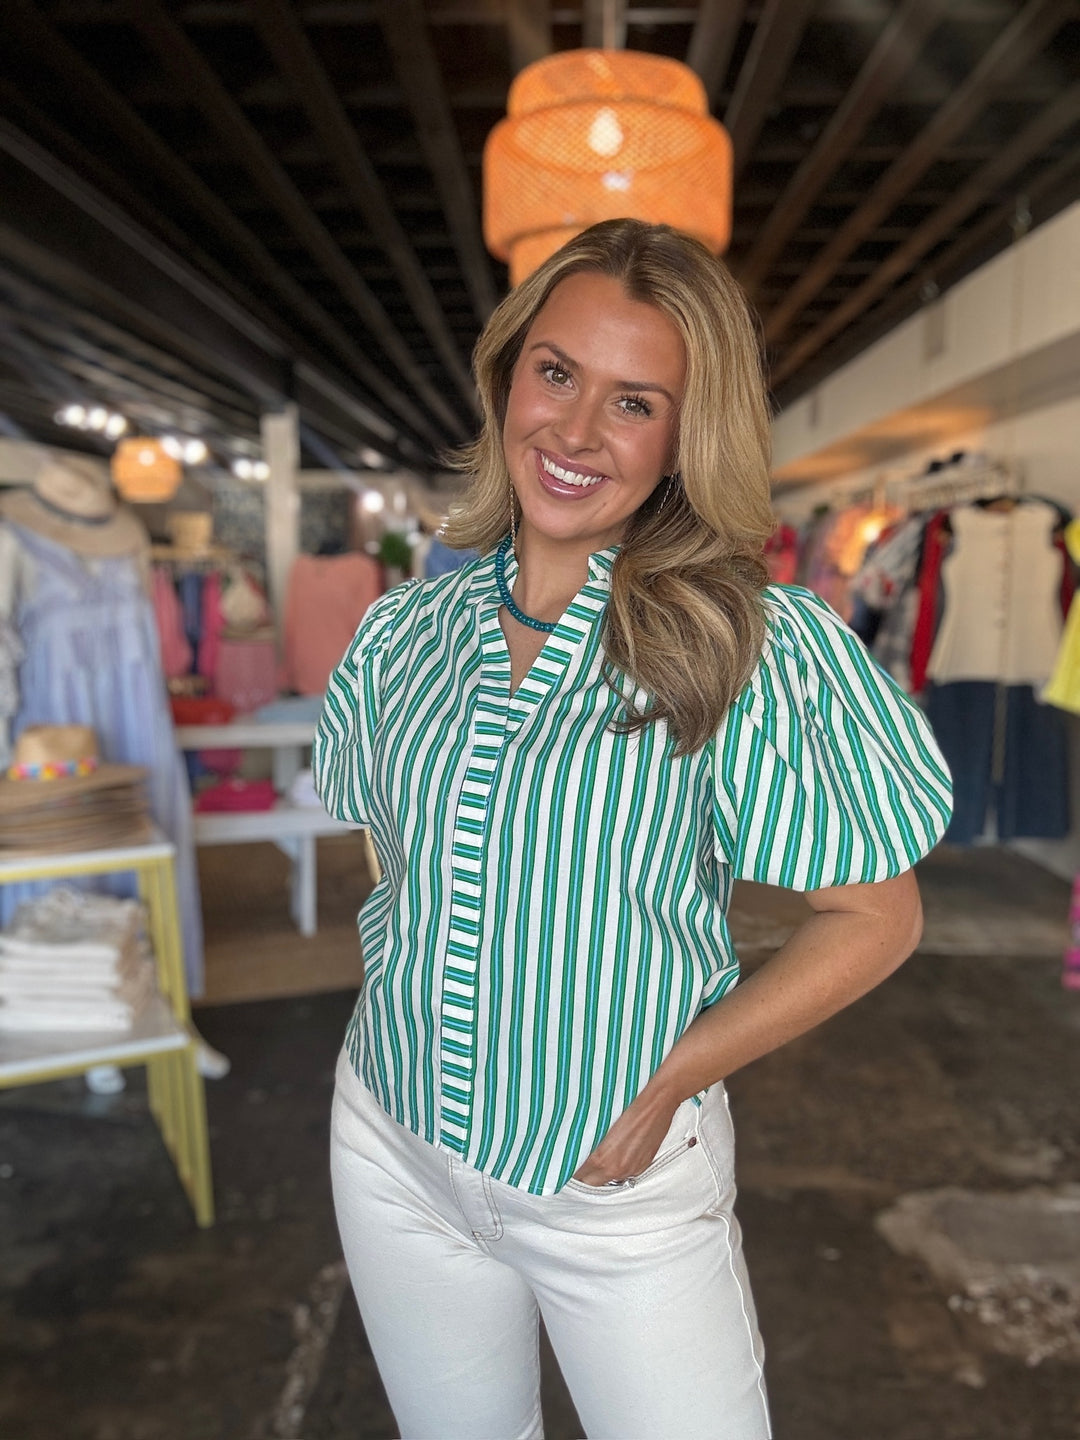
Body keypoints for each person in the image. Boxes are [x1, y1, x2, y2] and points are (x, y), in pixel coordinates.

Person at [314, 219, 952, 1440]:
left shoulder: (741, 644)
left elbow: (878, 918)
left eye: (634, 401)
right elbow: (384, 852)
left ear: (681, 436)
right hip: (391, 1149)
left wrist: (675, 1078)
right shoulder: (404, 635)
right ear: (509, 373)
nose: (574, 430)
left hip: (615, 1187)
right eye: (555, 372)